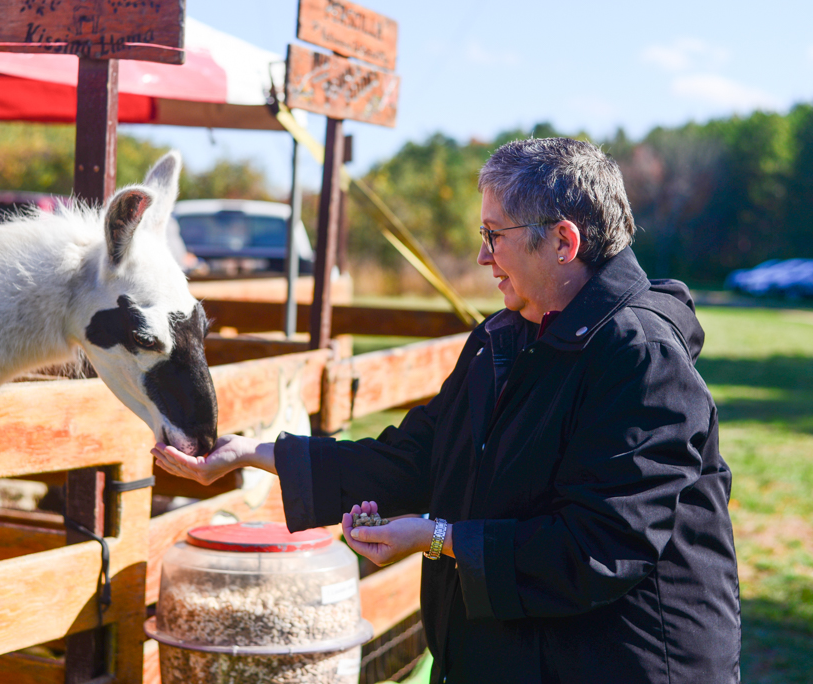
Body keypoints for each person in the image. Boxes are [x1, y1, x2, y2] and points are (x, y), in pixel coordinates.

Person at [153, 138, 741, 683]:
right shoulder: (507, 337)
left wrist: (440, 537)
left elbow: (599, 547)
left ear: (564, 242)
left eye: (494, 235)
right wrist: (254, 454)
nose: (482, 256)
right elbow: (420, 456)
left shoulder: (641, 357)